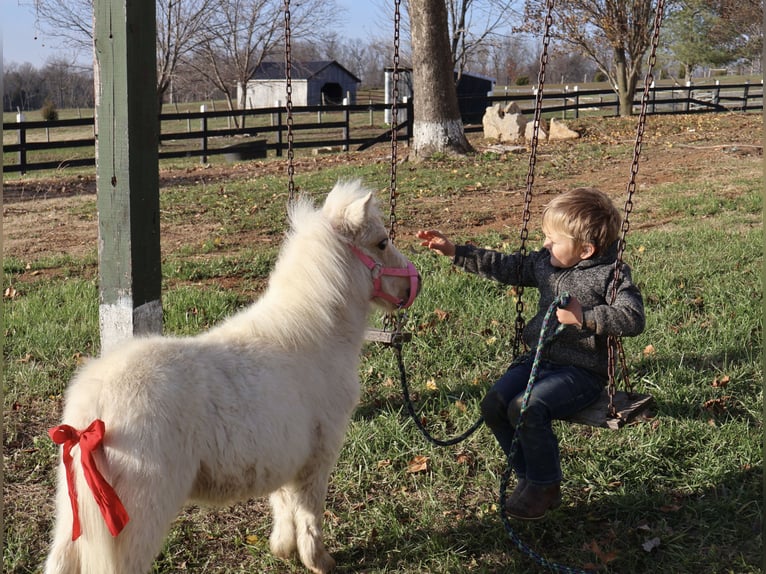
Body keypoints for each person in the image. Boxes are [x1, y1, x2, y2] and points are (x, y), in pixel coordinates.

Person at [416, 187, 645, 520]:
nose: (545, 244)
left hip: (581, 373)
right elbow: (509, 267)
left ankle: (546, 483)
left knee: (527, 407)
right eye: (545, 237)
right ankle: (529, 476)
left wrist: (587, 318)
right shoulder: (545, 264)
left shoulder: (610, 276)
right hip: (539, 360)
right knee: (494, 404)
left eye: (553, 239)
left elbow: (633, 317)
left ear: (586, 249)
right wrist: (455, 252)